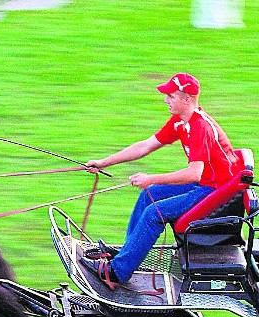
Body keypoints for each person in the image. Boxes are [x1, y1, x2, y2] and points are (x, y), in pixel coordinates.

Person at [82, 73, 243, 289]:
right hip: (205, 183)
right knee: (149, 194)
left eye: (171, 96)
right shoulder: (180, 122)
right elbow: (145, 146)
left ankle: (117, 272)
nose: (165, 100)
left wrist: (151, 178)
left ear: (187, 99)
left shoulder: (200, 128)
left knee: (154, 213)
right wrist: (104, 162)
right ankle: (126, 256)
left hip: (214, 191)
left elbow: (194, 173)